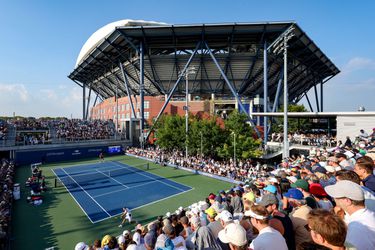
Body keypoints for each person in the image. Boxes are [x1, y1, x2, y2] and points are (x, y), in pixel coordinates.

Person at [325, 180, 375, 249]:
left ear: (347, 201)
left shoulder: (355, 230)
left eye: (336, 197)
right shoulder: (369, 214)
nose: (334, 199)